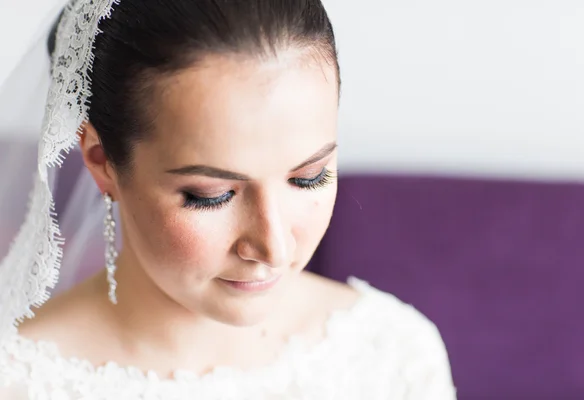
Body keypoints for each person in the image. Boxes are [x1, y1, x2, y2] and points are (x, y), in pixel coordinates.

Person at [0, 0, 456, 398]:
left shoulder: (393, 357)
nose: (274, 247)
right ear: (101, 161)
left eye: (309, 177)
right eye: (211, 196)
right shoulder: (17, 382)